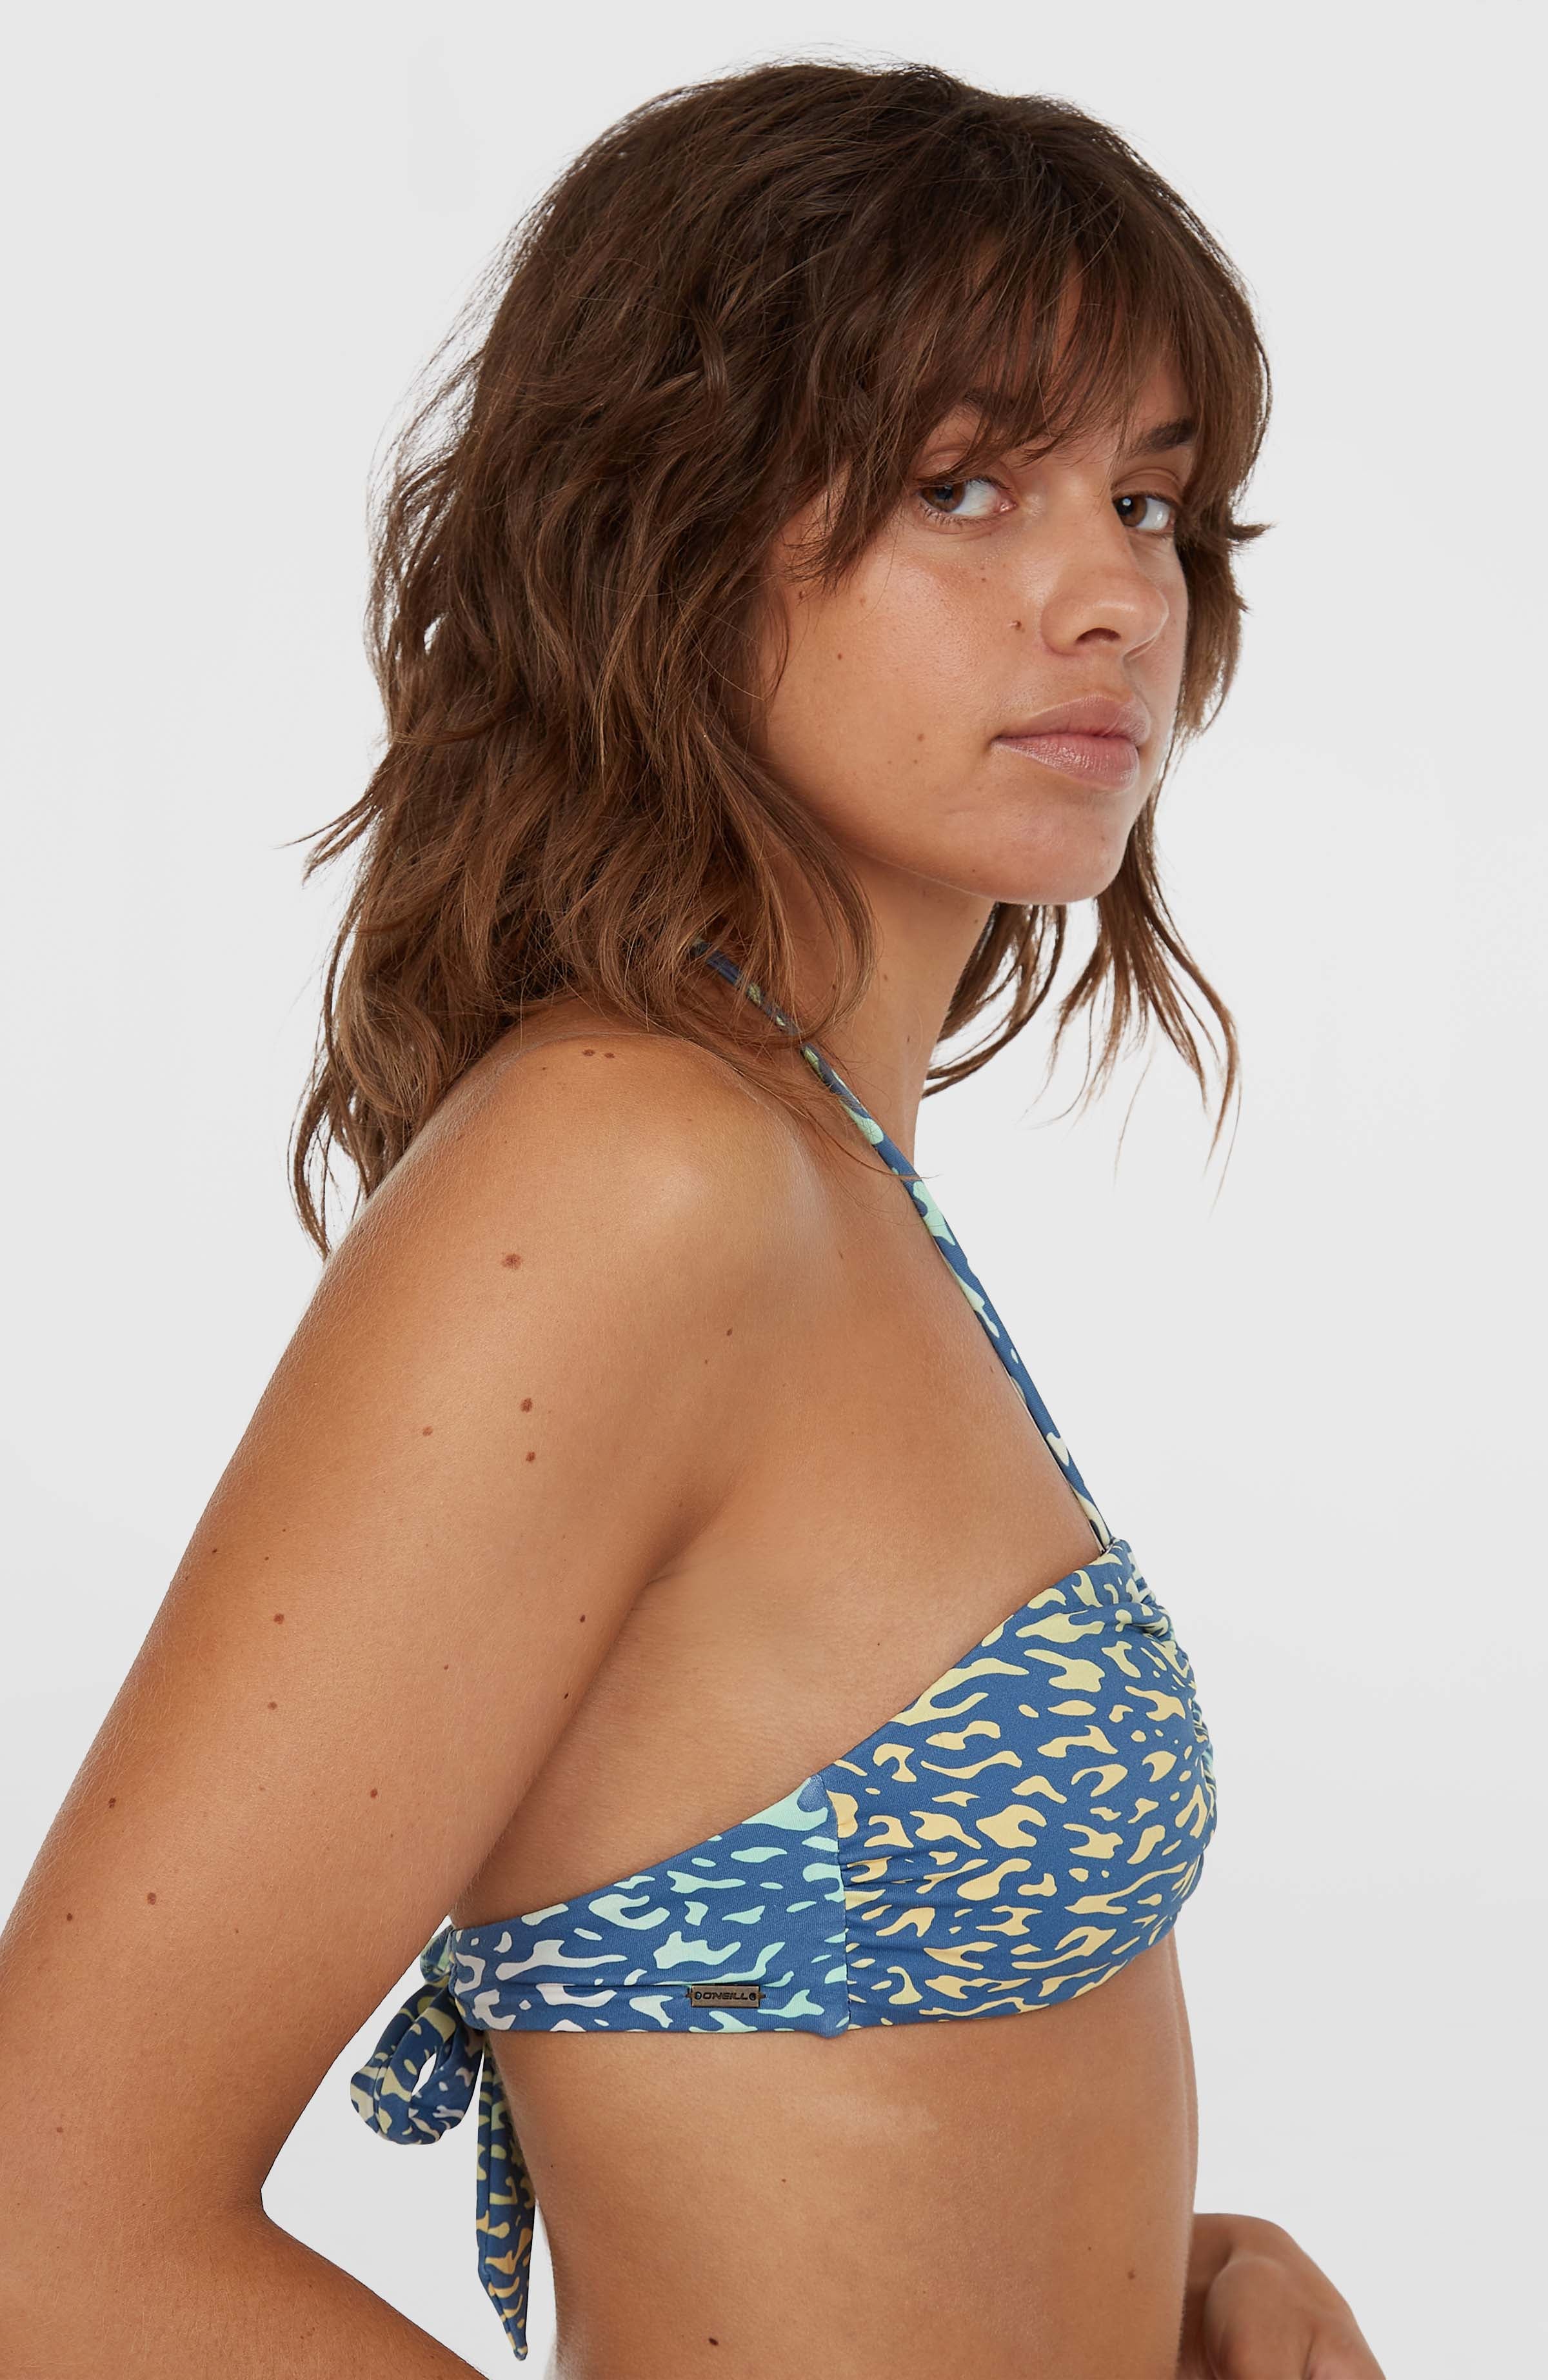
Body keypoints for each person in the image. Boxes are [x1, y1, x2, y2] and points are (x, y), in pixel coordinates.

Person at [0, 57, 1386, 2380]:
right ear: (666, 535)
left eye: (1150, 503)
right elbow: (45, 2218)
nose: (1110, 600)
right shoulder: (633, 1173)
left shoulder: (818, 1167)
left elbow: (819, 2118)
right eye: (966, 486)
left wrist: (1175, 2271)